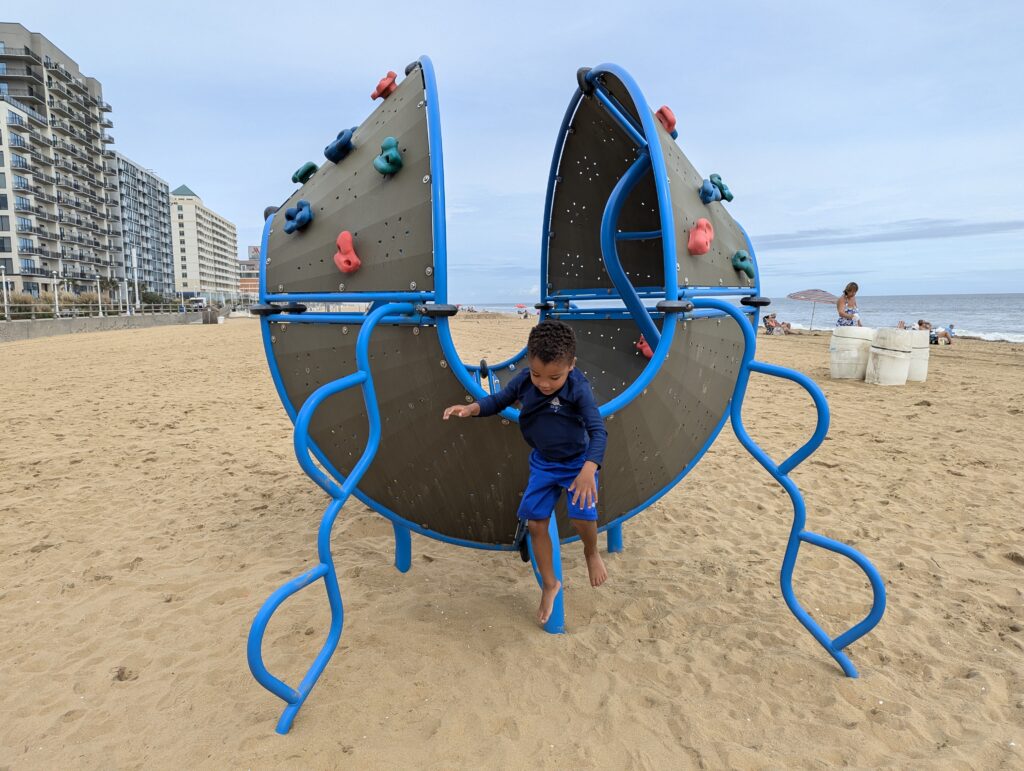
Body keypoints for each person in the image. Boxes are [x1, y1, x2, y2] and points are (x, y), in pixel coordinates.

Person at [442, 320, 608, 625]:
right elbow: (499, 400)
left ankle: (591, 551)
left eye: (553, 377)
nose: (543, 384)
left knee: (582, 516)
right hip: (544, 462)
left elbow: (598, 431)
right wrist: (471, 409)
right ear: (528, 364)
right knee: (535, 523)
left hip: (577, 463)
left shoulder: (578, 389)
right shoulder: (525, 381)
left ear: (571, 365)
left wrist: (589, 469)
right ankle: (550, 583)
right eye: (536, 374)